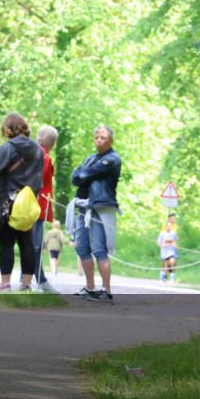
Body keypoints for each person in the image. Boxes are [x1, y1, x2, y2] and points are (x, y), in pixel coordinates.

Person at [0, 113, 44, 291]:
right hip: (29, 202)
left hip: (9, 201)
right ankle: (26, 285)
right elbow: (39, 177)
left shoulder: (9, 147)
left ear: (8, 129)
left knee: (7, 243)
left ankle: (5, 284)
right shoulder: (37, 149)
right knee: (27, 244)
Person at [71, 125, 122, 303]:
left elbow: (87, 173)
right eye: (96, 137)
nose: (99, 140)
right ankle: (90, 288)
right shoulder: (91, 158)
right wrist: (83, 174)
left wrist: (83, 174)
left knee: (99, 250)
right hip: (83, 206)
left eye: (103, 137)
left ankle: (106, 292)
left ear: (111, 140)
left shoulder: (113, 159)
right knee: (82, 248)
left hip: (100, 208)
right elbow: (75, 177)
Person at [32, 125, 58, 292]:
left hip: (27, 206)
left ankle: (27, 279)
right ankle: (39, 280)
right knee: (35, 244)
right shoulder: (44, 158)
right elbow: (38, 182)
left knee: (31, 243)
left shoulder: (30, 153)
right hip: (37, 206)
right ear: (52, 143)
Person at [156, 218, 179, 283]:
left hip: (172, 251)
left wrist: (176, 246)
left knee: (172, 261)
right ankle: (163, 276)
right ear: (165, 226)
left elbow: (175, 240)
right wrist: (162, 245)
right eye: (168, 226)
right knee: (165, 264)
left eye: (170, 226)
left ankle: (172, 277)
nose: (169, 227)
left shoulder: (174, 233)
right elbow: (158, 242)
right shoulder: (162, 234)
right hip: (165, 251)